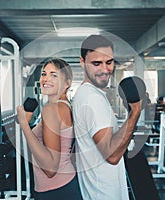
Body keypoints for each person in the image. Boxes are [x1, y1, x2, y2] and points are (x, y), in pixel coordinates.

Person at [72, 35, 142, 200]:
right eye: (96, 63)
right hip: (104, 194)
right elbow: (112, 156)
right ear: (82, 62)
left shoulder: (84, 93)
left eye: (109, 62)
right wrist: (135, 112)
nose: (105, 69)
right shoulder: (93, 99)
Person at [16, 58, 82, 200]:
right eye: (44, 74)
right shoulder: (66, 106)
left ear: (67, 83)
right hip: (64, 185)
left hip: (57, 190)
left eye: (54, 75)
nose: (46, 79)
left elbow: (50, 169)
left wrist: (24, 126)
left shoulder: (51, 109)